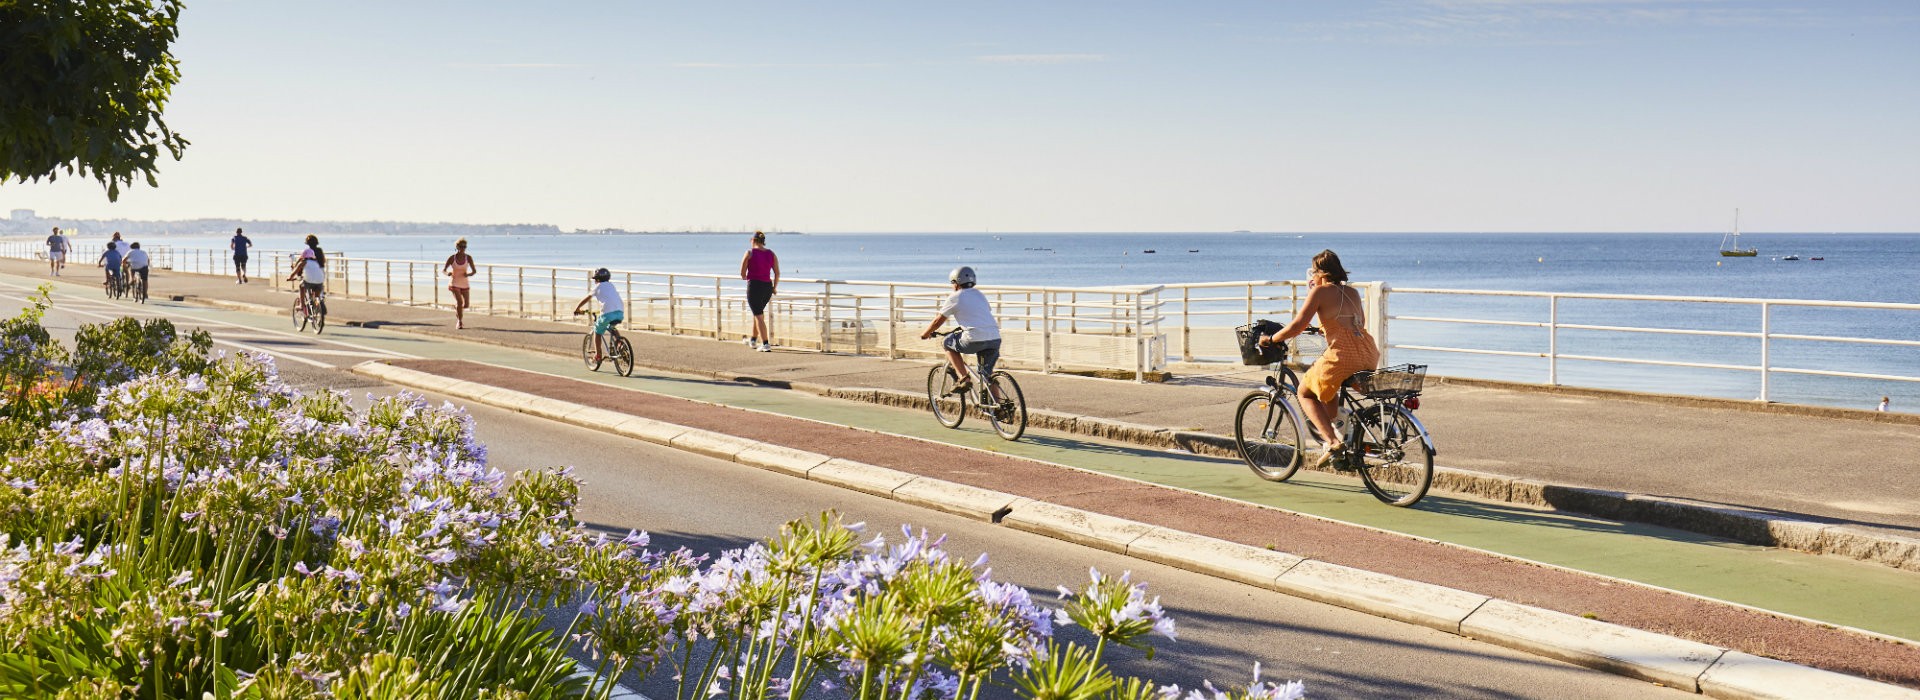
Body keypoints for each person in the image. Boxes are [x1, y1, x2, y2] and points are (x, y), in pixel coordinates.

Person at [1260, 249, 1380, 468]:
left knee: (1304, 392)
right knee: (1326, 383)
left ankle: (1333, 443)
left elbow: (1298, 325)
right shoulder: (1352, 292)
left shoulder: (1319, 292)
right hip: (1367, 351)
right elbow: (1357, 323)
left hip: (1342, 355)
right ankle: (1341, 430)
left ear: (1320, 273)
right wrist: (1325, 328)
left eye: (1313, 272)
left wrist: (1272, 338)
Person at [919, 266, 1003, 400]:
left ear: (956, 283)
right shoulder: (979, 294)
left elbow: (937, 321)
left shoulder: (955, 297)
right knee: (986, 375)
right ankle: (999, 406)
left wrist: (925, 333)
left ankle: (964, 379)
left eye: (952, 283)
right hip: (994, 338)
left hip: (973, 338)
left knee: (947, 343)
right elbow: (980, 314)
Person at [738, 231, 780, 351]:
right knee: (758, 313)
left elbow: (742, 273)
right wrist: (774, 288)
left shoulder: (749, 253)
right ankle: (753, 340)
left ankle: (766, 344)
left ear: (753, 240)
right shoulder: (771, 253)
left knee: (759, 316)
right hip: (767, 287)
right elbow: (777, 273)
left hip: (754, 287)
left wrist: (749, 277)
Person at [572, 268, 624, 363]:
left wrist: (577, 308)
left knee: (597, 331)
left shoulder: (598, 287)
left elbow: (586, 299)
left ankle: (598, 356)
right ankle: (620, 343)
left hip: (608, 314)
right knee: (612, 327)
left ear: (598, 279)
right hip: (620, 312)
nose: (595, 281)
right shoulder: (611, 285)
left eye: (595, 279)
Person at [286, 235, 327, 312]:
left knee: (302, 286)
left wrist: (291, 275)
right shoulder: (319, 251)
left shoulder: (306, 253)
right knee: (316, 293)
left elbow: (298, 264)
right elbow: (324, 261)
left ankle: (302, 305)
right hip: (320, 275)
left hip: (309, 278)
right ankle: (318, 305)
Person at [443, 238, 477, 329]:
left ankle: (457, 308)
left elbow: (474, 271)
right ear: (457, 247)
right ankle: (459, 322)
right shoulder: (452, 258)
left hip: (464, 283)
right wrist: (448, 273)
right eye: (461, 246)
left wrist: (468, 274)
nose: (463, 248)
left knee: (466, 305)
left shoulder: (468, 257)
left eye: (464, 247)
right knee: (460, 301)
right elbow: (444, 270)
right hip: (454, 283)